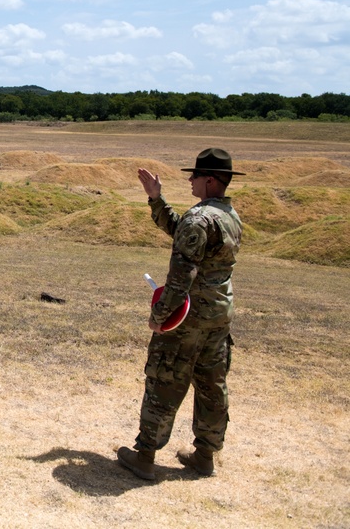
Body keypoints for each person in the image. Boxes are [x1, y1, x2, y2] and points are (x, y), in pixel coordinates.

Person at [117, 148, 244, 480]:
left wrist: (160, 314)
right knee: (211, 385)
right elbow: (185, 235)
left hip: (188, 319)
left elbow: (181, 274)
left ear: (210, 180)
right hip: (219, 317)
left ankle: (145, 455)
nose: (190, 180)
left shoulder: (200, 217)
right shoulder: (229, 216)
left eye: (195, 175)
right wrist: (156, 200)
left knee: (164, 380)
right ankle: (205, 455)